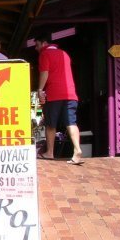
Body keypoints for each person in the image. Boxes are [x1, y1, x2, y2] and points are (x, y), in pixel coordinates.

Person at [34, 35, 83, 165]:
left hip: (54, 94)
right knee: (71, 122)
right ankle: (77, 150)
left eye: (37, 44)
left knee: (51, 124)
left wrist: (40, 90)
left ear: (44, 43)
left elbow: (45, 72)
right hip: (70, 94)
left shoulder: (45, 54)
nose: (36, 48)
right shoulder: (64, 54)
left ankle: (49, 152)